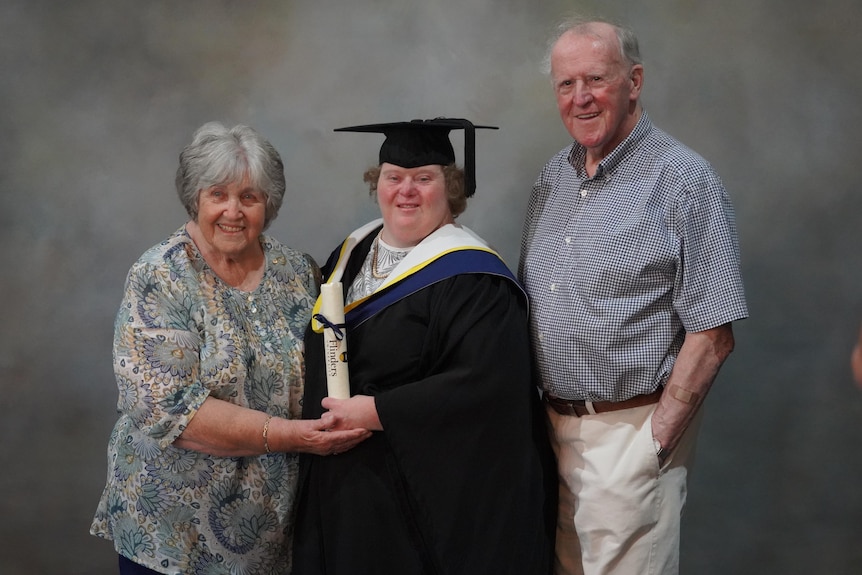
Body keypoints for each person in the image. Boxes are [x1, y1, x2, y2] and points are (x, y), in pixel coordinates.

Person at [518, 18, 749, 575]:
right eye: (565, 84)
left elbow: (714, 333)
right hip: (551, 436)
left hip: (630, 434)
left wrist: (654, 444)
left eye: (596, 79)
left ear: (635, 81)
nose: (581, 98)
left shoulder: (682, 179)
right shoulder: (553, 178)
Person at [90, 121, 371, 575]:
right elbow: (172, 412)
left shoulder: (296, 270)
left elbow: (333, 362)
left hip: (270, 533)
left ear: (269, 204)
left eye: (249, 197)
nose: (233, 211)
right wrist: (290, 435)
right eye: (217, 194)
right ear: (195, 198)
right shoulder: (160, 276)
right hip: (173, 530)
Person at [293, 118, 556, 574]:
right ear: (378, 184)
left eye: (423, 179)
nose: (406, 191)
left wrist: (375, 413)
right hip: (341, 491)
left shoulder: (474, 278)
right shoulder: (350, 253)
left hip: (415, 509)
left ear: (451, 188)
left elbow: (486, 389)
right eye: (393, 177)